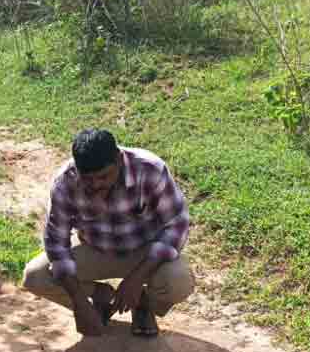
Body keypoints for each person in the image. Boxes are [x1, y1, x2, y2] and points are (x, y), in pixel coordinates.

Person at [23, 129, 194, 338]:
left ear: (119, 160)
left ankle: (144, 303)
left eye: (104, 176)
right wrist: (79, 301)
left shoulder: (150, 169)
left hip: (146, 252)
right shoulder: (65, 182)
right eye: (88, 179)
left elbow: (177, 224)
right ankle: (100, 297)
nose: (96, 185)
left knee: (178, 281)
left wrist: (137, 279)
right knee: (36, 277)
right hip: (94, 249)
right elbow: (56, 244)